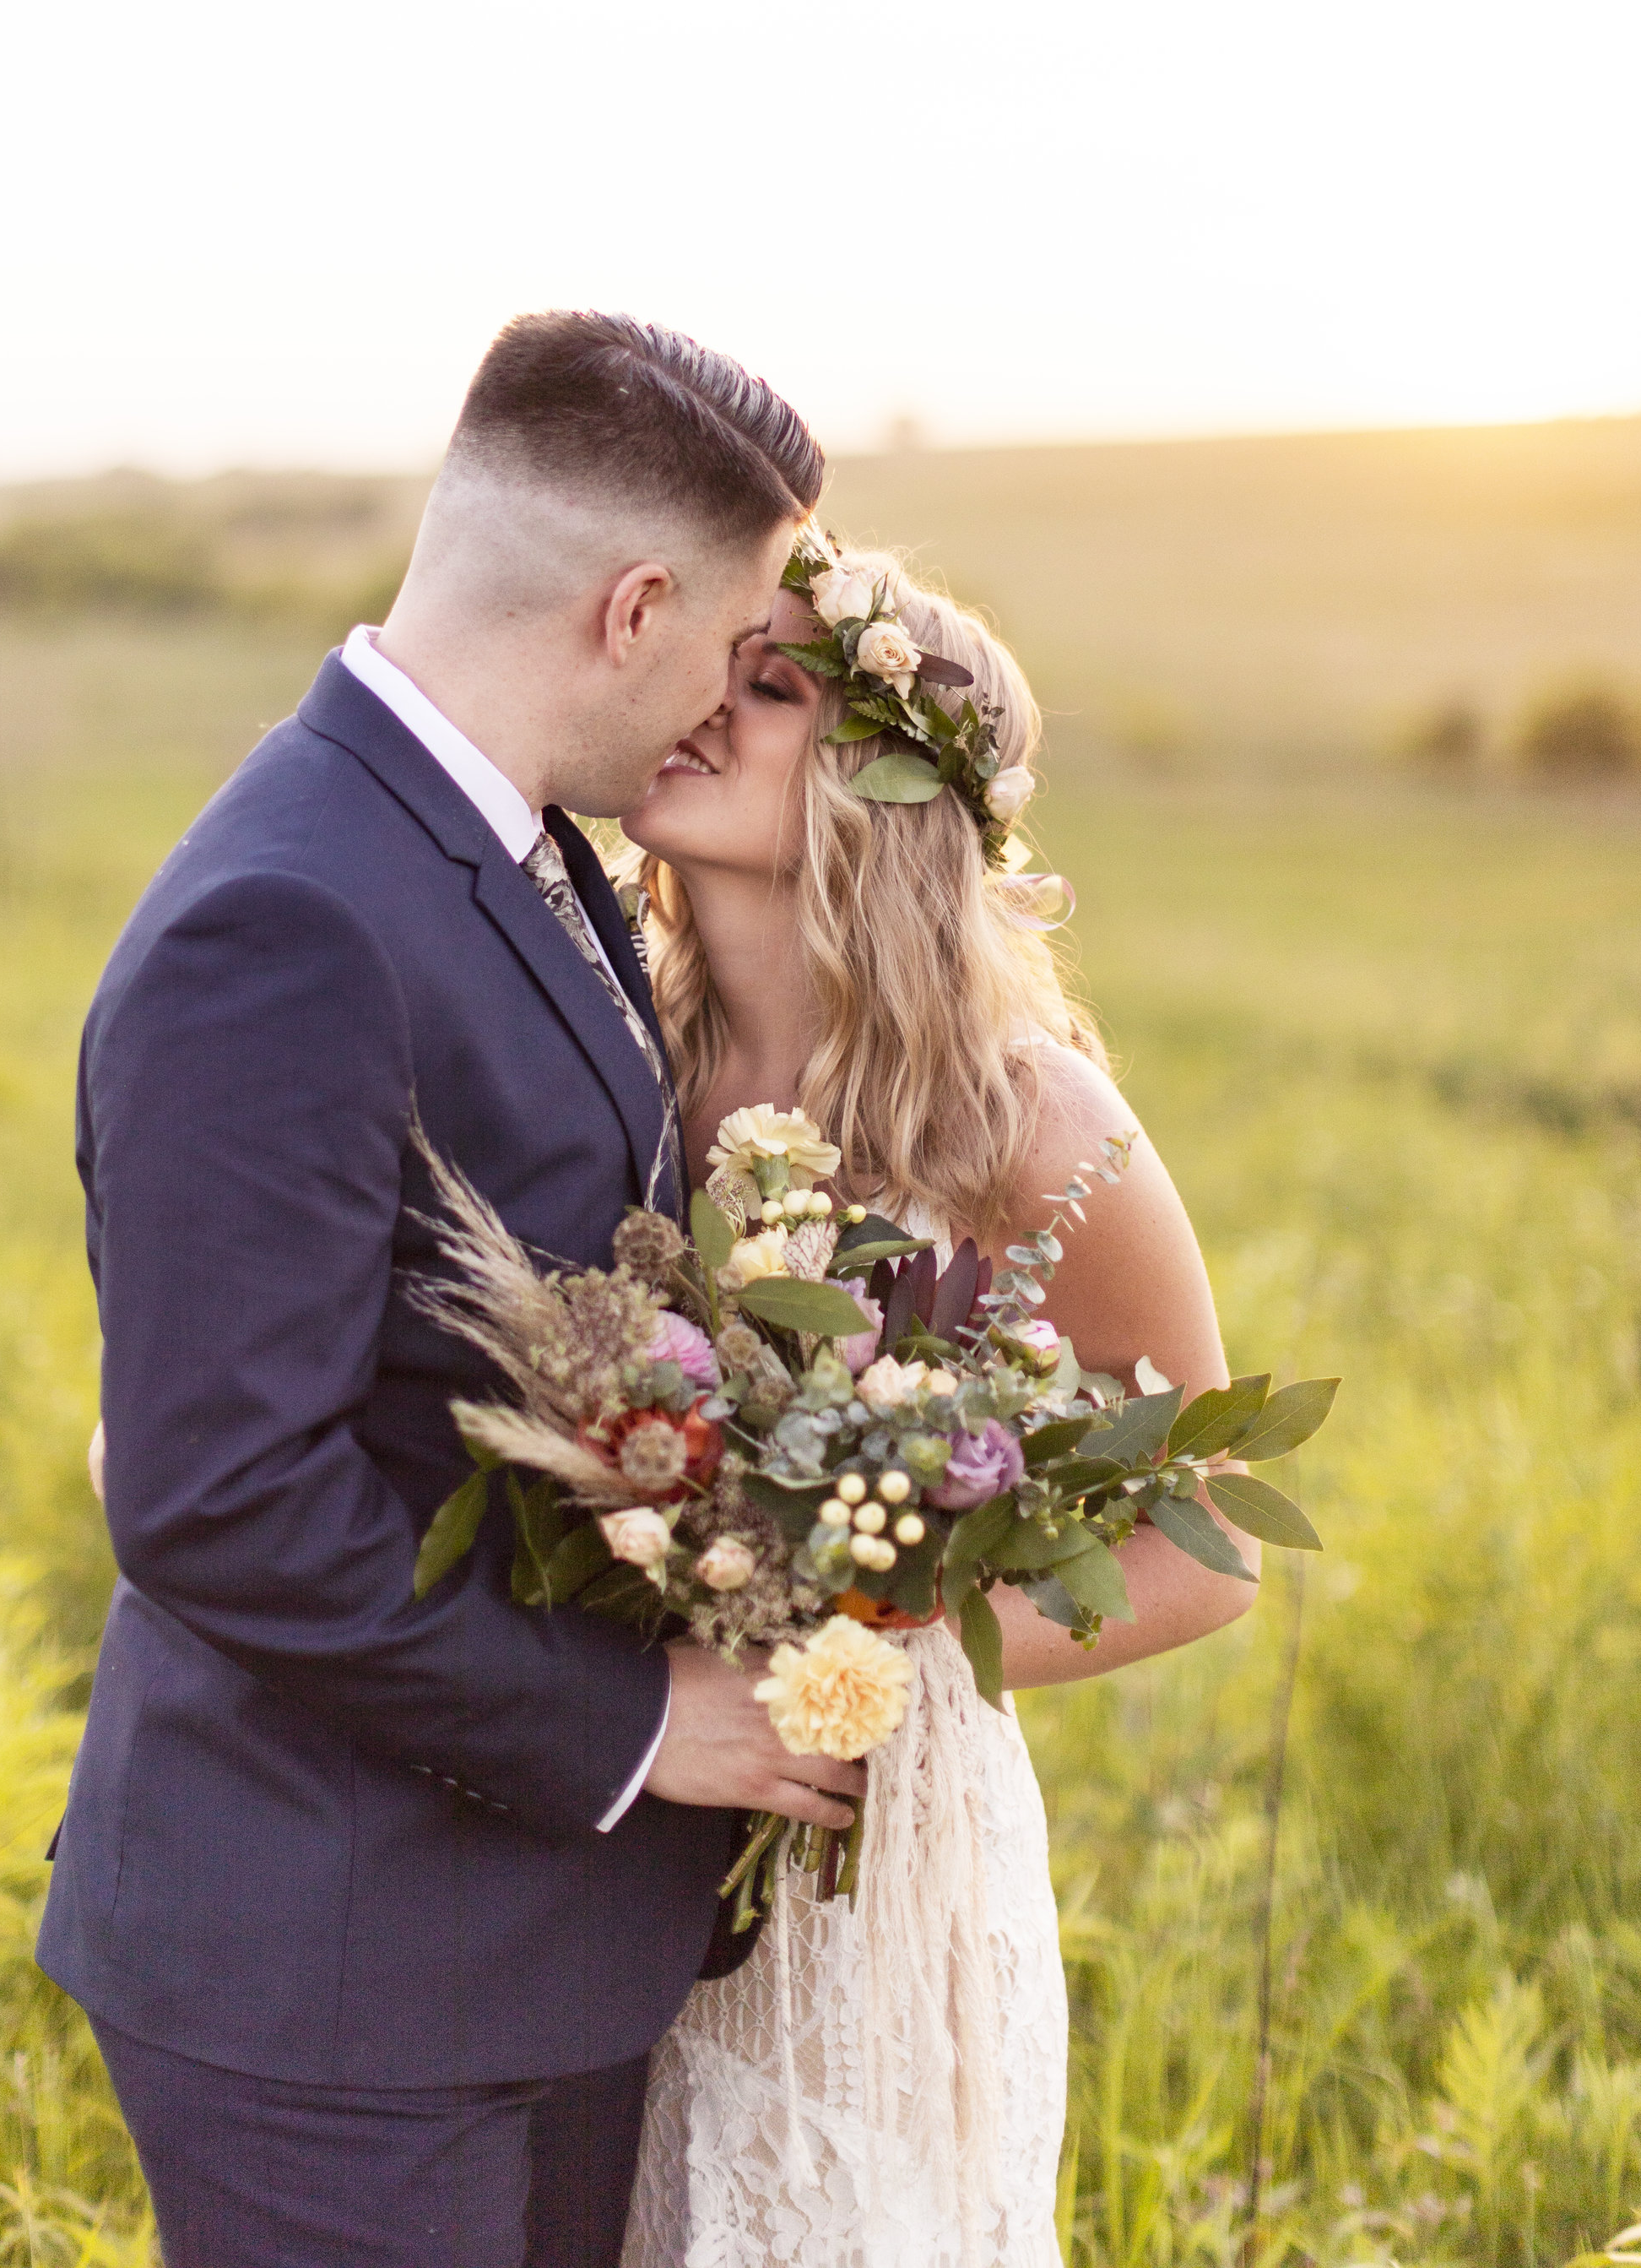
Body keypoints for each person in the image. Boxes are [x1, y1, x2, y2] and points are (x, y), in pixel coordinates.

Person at [37, 312, 853, 2268]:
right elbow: (218, 1495)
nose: (720, 709)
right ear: (629, 604)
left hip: (513, 1944)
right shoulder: (288, 916)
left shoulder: (515, 844)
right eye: (729, 654)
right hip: (328, 1984)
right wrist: (644, 1721)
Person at [615, 551, 1259, 2268]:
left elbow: (1207, 1540)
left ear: (873, 791)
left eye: (763, 692)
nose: (698, 704)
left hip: (874, 1845)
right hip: (626, 1790)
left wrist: (877, 1645)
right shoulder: (612, 1055)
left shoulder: (1023, 1117)